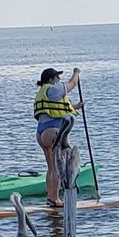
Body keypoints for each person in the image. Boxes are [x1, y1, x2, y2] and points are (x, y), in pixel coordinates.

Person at [34, 67, 83, 206]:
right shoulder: (53, 89)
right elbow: (72, 84)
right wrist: (76, 73)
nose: (59, 80)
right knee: (57, 167)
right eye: (57, 77)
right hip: (53, 130)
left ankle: (50, 198)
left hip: (41, 132)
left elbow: (54, 107)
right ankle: (55, 198)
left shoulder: (42, 92)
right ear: (50, 79)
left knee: (50, 167)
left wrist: (76, 107)